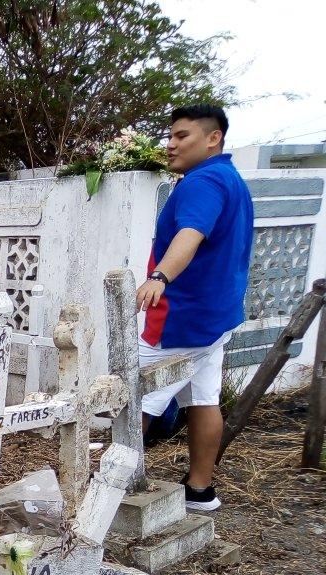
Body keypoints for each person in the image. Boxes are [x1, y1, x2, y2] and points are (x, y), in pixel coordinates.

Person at [135, 104, 253, 512]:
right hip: (215, 317)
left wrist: (160, 277)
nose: (170, 145)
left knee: (136, 399)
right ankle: (200, 490)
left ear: (212, 137)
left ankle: (112, 490)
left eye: (181, 136)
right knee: (202, 399)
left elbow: (191, 233)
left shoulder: (202, 182)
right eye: (169, 136)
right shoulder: (231, 178)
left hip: (179, 317)